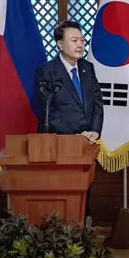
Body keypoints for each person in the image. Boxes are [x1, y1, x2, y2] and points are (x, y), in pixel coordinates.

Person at [35, 20, 104, 218]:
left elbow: (98, 102)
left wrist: (95, 130)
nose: (80, 45)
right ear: (60, 44)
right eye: (74, 40)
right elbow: (49, 111)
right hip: (61, 144)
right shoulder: (46, 71)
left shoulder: (87, 68)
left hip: (87, 142)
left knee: (83, 191)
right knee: (61, 195)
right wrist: (75, 136)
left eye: (82, 40)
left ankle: (82, 231)